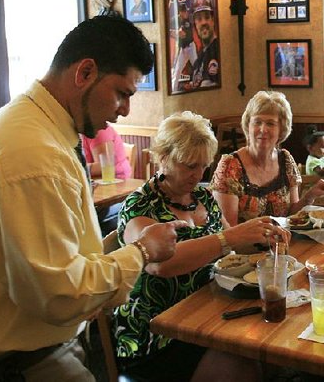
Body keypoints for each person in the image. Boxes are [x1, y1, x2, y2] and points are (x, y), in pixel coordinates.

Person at [0, 17, 182, 381]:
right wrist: (142, 252)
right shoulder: (33, 154)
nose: (125, 109)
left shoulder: (32, 124)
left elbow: (55, 253)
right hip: (9, 365)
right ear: (85, 72)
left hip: (25, 352)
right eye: (122, 93)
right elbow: (60, 295)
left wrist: (119, 239)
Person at [114, 111, 285, 381]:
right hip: (159, 335)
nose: (198, 174)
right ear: (163, 157)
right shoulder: (139, 205)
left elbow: (232, 246)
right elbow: (161, 264)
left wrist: (261, 236)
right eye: (189, 165)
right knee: (246, 359)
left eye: (203, 165)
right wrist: (230, 238)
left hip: (207, 315)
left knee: (271, 342)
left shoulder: (202, 196)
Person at [212, 91, 324, 225]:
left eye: (270, 123)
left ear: (281, 130)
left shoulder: (285, 160)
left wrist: (309, 197)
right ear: (248, 125)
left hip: (283, 243)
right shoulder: (230, 166)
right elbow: (229, 232)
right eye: (257, 122)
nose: (263, 129)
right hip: (243, 246)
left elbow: (292, 217)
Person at [190, 0, 220, 89]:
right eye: (199, 19)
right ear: (195, 24)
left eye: (207, 17)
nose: (203, 23)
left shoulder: (218, 50)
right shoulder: (197, 62)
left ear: (213, 20)